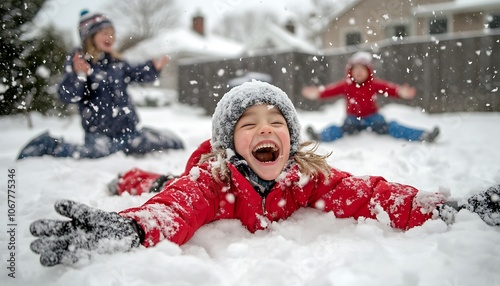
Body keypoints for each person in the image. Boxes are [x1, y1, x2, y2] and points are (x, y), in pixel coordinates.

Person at [29, 81, 499, 267]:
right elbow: (175, 208)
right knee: (163, 184)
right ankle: (130, 177)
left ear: (290, 140)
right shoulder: (211, 179)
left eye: (276, 124)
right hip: (188, 178)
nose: (264, 130)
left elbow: (369, 194)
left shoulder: (303, 177)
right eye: (248, 125)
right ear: (230, 143)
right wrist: (131, 228)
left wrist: (445, 209)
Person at [17, 10, 184, 160]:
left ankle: (150, 136)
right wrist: (79, 75)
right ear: (90, 36)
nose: (110, 37)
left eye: (112, 33)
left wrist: (153, 67)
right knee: (99, 153)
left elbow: (137, 72)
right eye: (105, 33)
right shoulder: (81, 62)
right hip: (98, 135)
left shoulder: (117, 63)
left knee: (154, 145)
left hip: (127, 131)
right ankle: (51, 144)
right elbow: (67, 95)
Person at [302, 51, 440, 143]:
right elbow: (330, 91)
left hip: (373, 118)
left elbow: (389, 89)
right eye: (355, 69)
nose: (359, 72)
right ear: (350, 72)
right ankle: (319, 136)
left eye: (362, 69)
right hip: (353, 120)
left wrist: (400, 92)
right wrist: (318, 93)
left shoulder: (373, 84)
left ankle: (423, 136)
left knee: (392, 126)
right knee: (340, 129)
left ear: (369, 71)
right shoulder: (346, 85)